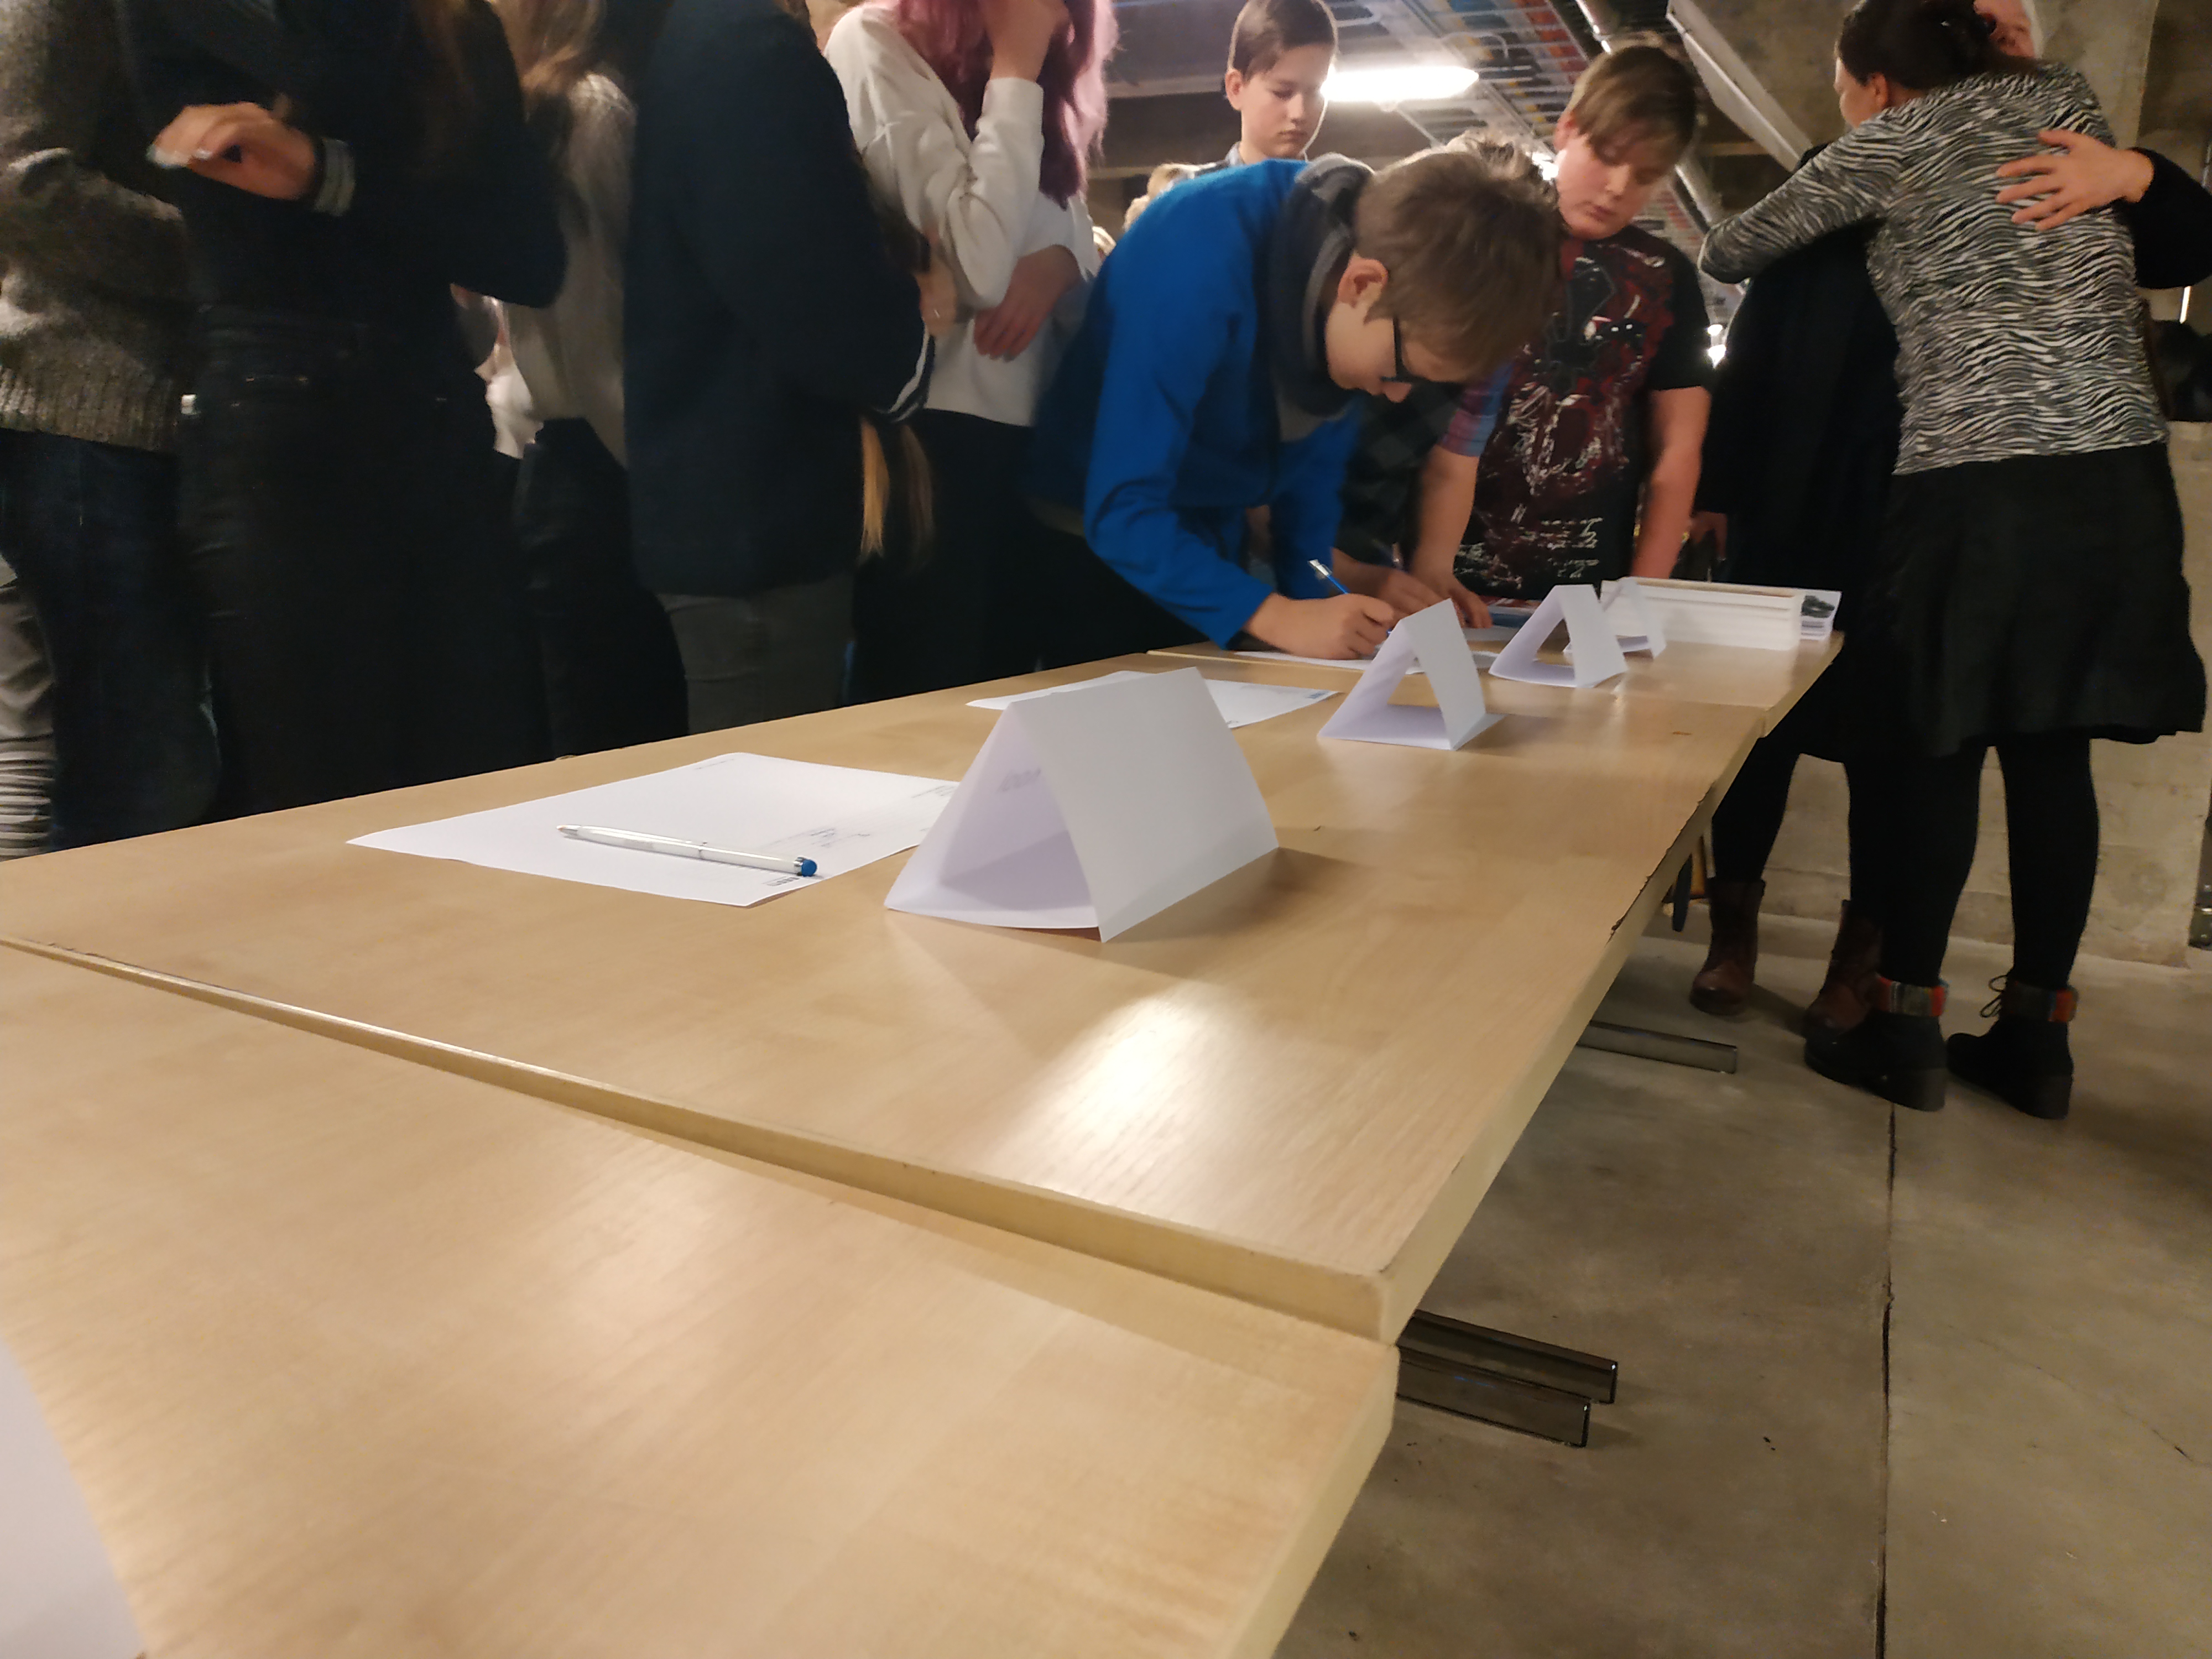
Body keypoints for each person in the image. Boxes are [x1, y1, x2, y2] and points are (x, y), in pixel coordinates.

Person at [1701, 0, 2206, 1120]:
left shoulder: (1891, 137)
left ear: (1877, 83)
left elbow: (1725, 248)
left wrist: (1865, 167)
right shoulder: (2064, 106)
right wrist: (2126, 170)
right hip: (2114, 484)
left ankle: (1905, 1029)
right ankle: (2037, 1042)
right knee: (2052, 753)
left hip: (1973, 482)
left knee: (1934, 743)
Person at [119, 0, 565, 814]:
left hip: (432, 414)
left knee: (484, 790)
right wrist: (364, 184)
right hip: (281, 423)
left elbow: (528, 256)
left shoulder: (447, 22)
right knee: (327, 806)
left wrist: (329, 176)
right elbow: (329, 71)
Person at [1026, 145, 1563, 661]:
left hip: (1206, 537)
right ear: (1362, 284)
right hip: (1091, 539)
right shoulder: (1198, 254)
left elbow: (1306, 497)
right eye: (1399, 372)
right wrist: (1278, 617)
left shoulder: (1354, 285)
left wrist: (1326, 599)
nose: (1396, 394)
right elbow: (1122, 507)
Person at [627, 0, 945, 731]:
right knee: (766, 786)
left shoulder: (711, 39)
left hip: (733, 508)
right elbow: (815, 294)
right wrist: (917, 322)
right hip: (757, 516)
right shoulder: (747, 49)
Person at [1333, 40, 1713, 623]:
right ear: (1568, 128)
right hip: (1449, 569)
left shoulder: (1667, 277)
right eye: (1607, 156)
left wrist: (1644, 592)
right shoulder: (1481, 240)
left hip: (1587, 589)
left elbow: (1677, 453)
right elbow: (1433, 430)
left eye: (1645, 175)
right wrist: (1415, 566)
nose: (1617, 186)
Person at [827, 0, 1111, 697]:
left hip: (1030, 439)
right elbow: (978, 264)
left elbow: (1079, 241)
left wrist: (1061, 264)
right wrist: (1017, 69)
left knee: (1009, 700)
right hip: (932, 433)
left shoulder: (1017, 87)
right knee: (925, 701)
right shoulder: (875, 43)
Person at [0, 0, 217, 847]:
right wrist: (225, 254)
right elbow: (23, 179)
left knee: (135, 753)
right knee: (133, 766)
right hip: (82, 405)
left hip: (123, 408)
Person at [494, 0, 688, 757]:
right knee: (622, 765)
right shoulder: (590, 107)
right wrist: (679, 492)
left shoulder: (567, 99)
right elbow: (598, 341)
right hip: (608, 476)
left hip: (592, 469)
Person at [1212, 0, 1337, 170]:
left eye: (1316, 92)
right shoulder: (1190, 187)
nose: (1299, 113)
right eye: (1282, 93)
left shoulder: (1350, 186)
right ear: (1237, 88)